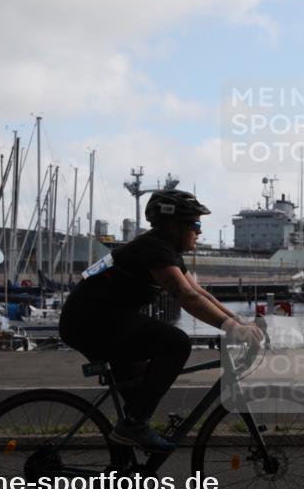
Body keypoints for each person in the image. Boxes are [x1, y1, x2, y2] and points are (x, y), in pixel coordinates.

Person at [58, 189, 263, 452]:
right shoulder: (153, 249)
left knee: (140, 394)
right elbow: (186, 297)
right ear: (172, 225)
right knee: (176, 343)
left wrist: (238, 322)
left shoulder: (165, 250)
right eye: (195, 224)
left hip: (102, 320)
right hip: (91, 323)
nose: (199, 231)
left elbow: (198, 292)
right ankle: (133, 427)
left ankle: (124, 472)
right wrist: (232, 328)